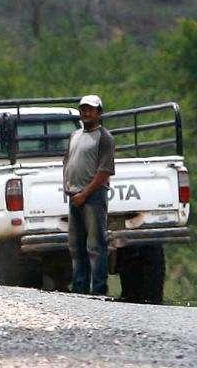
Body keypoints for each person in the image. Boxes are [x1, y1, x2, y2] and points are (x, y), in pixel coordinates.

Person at [63, 94, 115, 296]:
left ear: (99, 113)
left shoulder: (104, 138)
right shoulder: (74, 136)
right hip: (75, 195)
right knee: (76, 245)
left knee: (95, 244)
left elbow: (104, 172)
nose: (85, 112)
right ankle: (79, 287)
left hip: (93, 197)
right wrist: (67, 186)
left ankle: (99, 289)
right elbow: (67, 162)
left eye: (90, 109)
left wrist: (84, 194)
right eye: (83, 109)